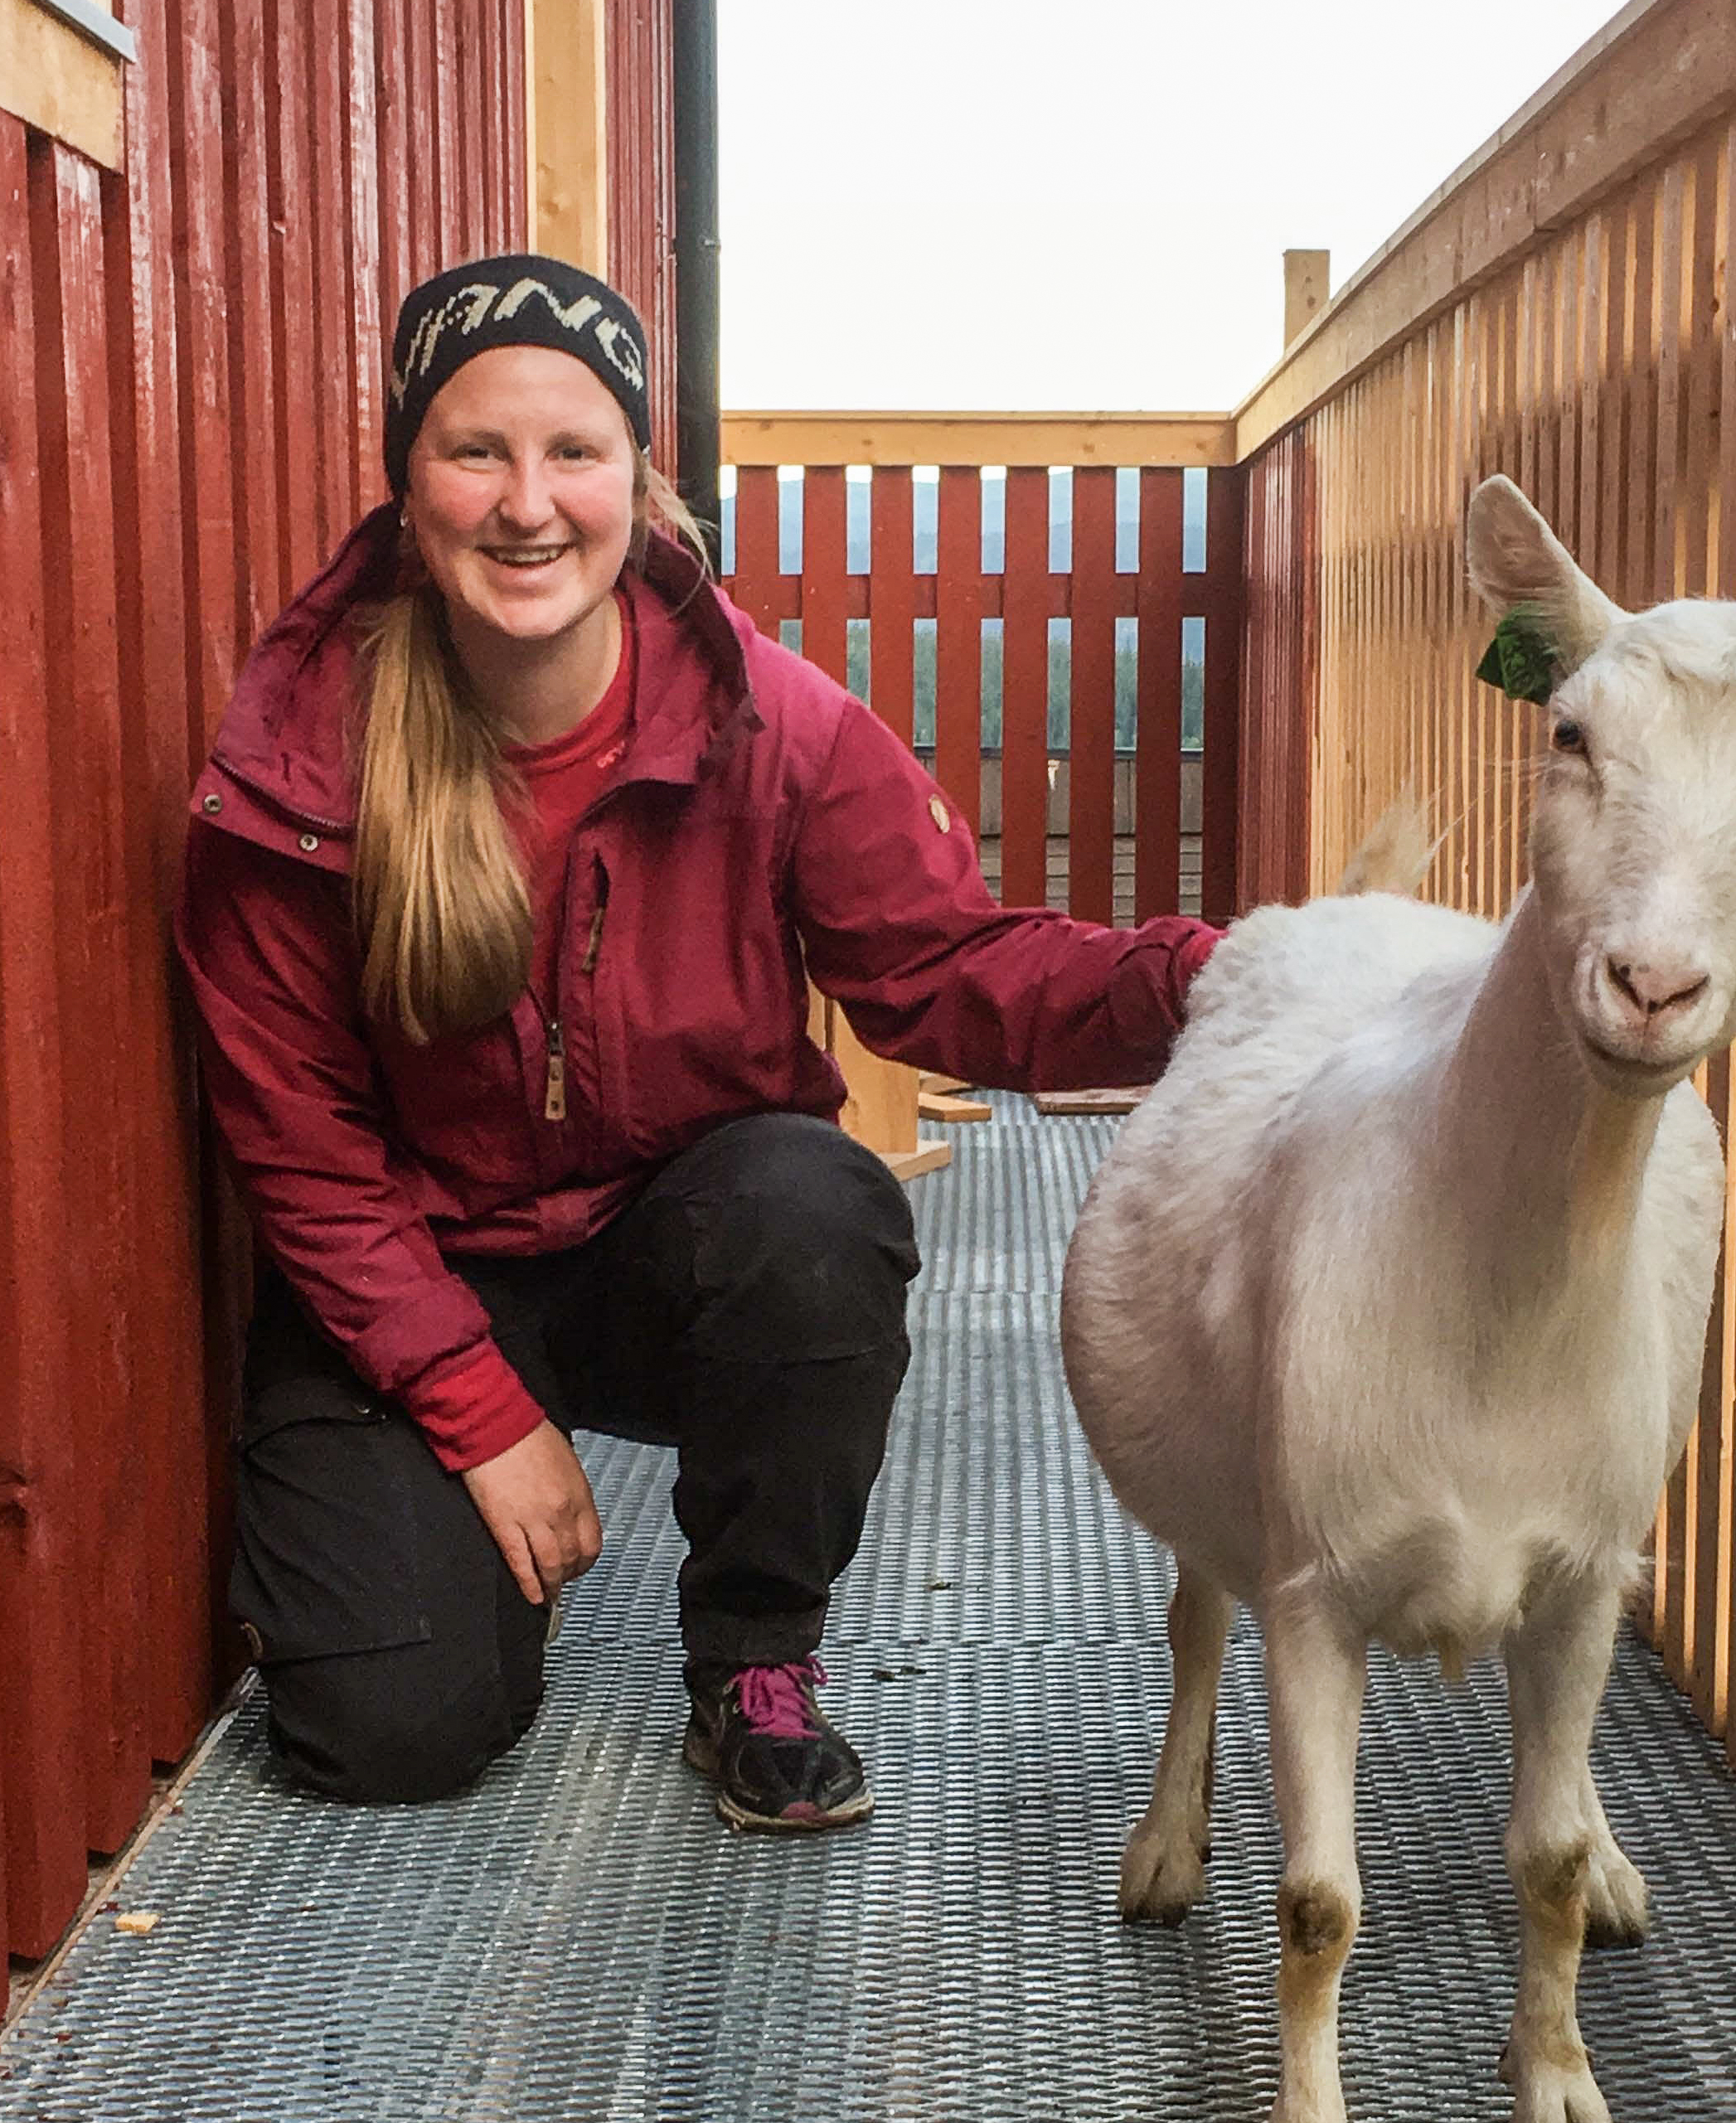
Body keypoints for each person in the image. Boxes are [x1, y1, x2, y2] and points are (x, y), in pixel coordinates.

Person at [176, 254, 1220, 1833]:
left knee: (817, 1210)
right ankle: (441, 1567)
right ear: (407, 483)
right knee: (391, 1722)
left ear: (637, 479)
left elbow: (950, 971)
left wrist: (1214, 980)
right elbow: (303, 1147)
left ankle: (754, 1654)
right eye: (476, 450)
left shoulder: (771, 726)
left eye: (575, 451)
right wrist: (481, 1414)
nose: (529, 503)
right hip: (413, 1268)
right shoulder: (300, 769)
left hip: (680, 1254)